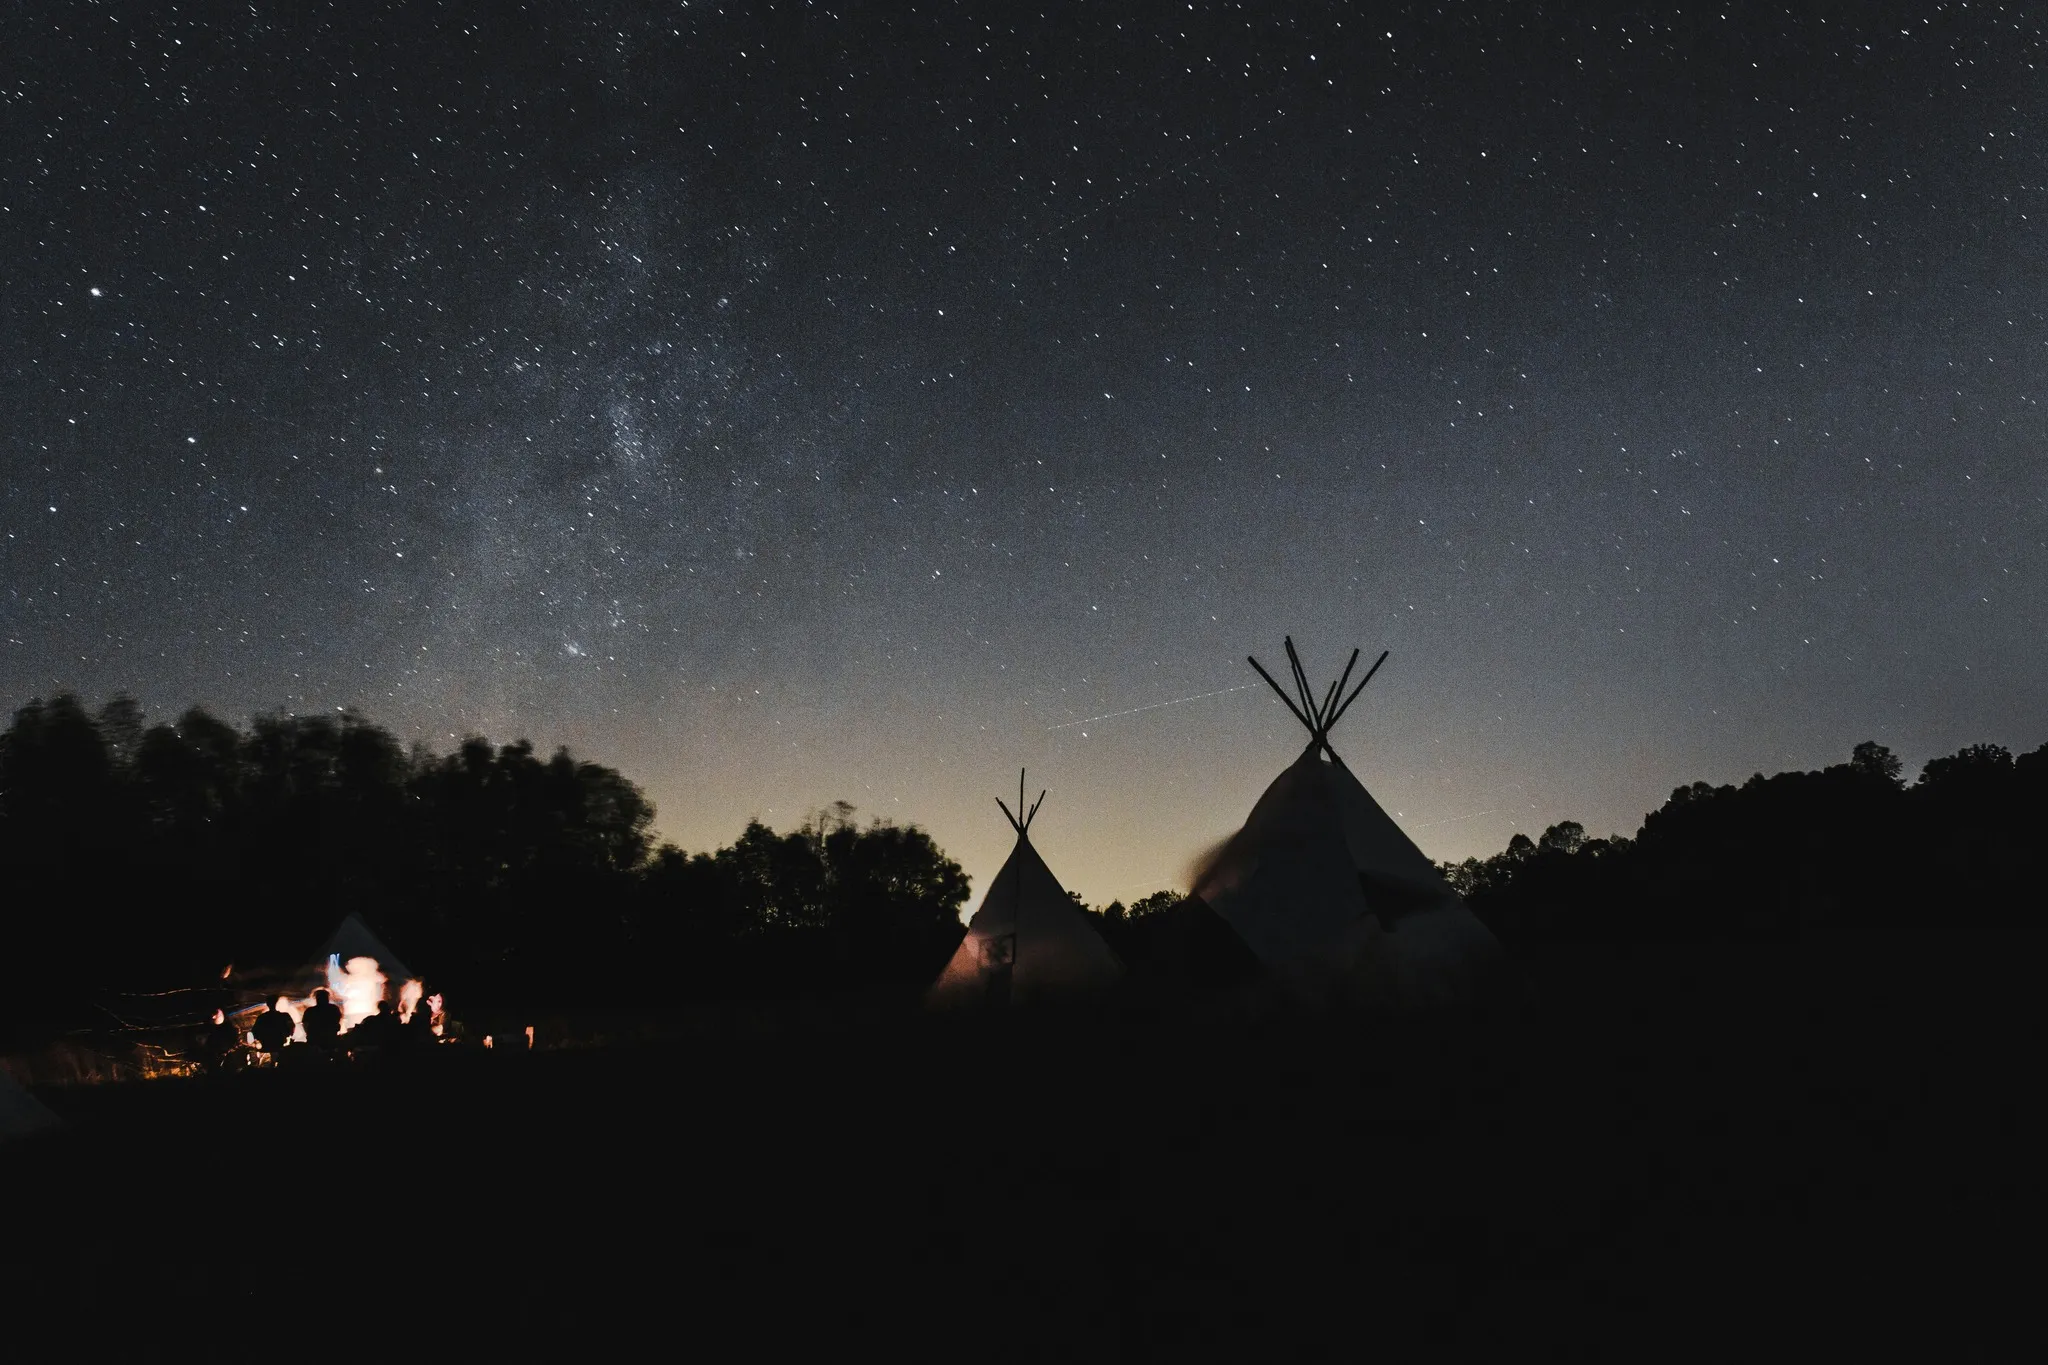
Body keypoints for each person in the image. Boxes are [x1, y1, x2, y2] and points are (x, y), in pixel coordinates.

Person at [302, 989, 343, 1053]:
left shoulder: (310, 1011)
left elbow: (305, 1024)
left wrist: (310, 1034)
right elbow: (338, 1020)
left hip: (314, 1040)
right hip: (330, 1040)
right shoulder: (333, 1009)